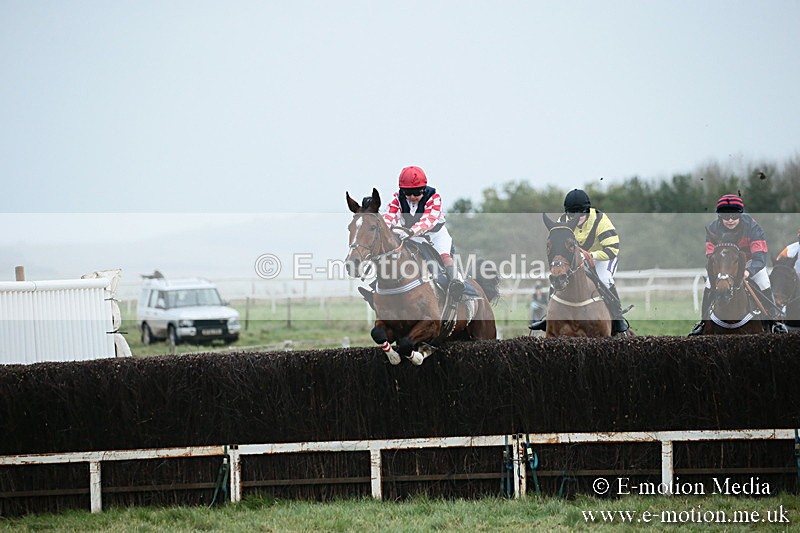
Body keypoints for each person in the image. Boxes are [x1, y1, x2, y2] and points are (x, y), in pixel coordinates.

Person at [359, 166, 464, 307]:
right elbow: (389, 216)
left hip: (435, 235)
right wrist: (387, 228)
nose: (412, 197)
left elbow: (428, 221)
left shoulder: (434, 198)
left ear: (424, 189)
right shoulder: (397, 198)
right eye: (408, 193)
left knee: (445, 257)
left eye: (416, 192)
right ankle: (378, 289)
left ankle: (456, 284)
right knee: (391, 254)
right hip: (410, 235)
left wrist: (411, 231)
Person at [529, 189, 630, 335]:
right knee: (557, 279)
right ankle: (548, 317)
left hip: (603, 257)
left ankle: (617, 317)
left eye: (582, 214)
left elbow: (612, 249)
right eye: (572, 215)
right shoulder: (562, 222)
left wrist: (590, 255)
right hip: (576, 258)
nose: (578, 218)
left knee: (604, 278)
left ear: (587, 211)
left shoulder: (601, 221)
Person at [688, 194, 786, 335]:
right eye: (726, 216)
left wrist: (747, 271)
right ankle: (703, 323)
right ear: (720, 216)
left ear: (740, 214)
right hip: (724, 265)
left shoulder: (752, 227)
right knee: (709, 284)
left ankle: (774, 322)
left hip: (751, 263)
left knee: (764, 282)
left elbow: (760, 256)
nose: (730, 220)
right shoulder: (713, 229)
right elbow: (711, 256)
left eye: (734, 216)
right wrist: (720, 270)